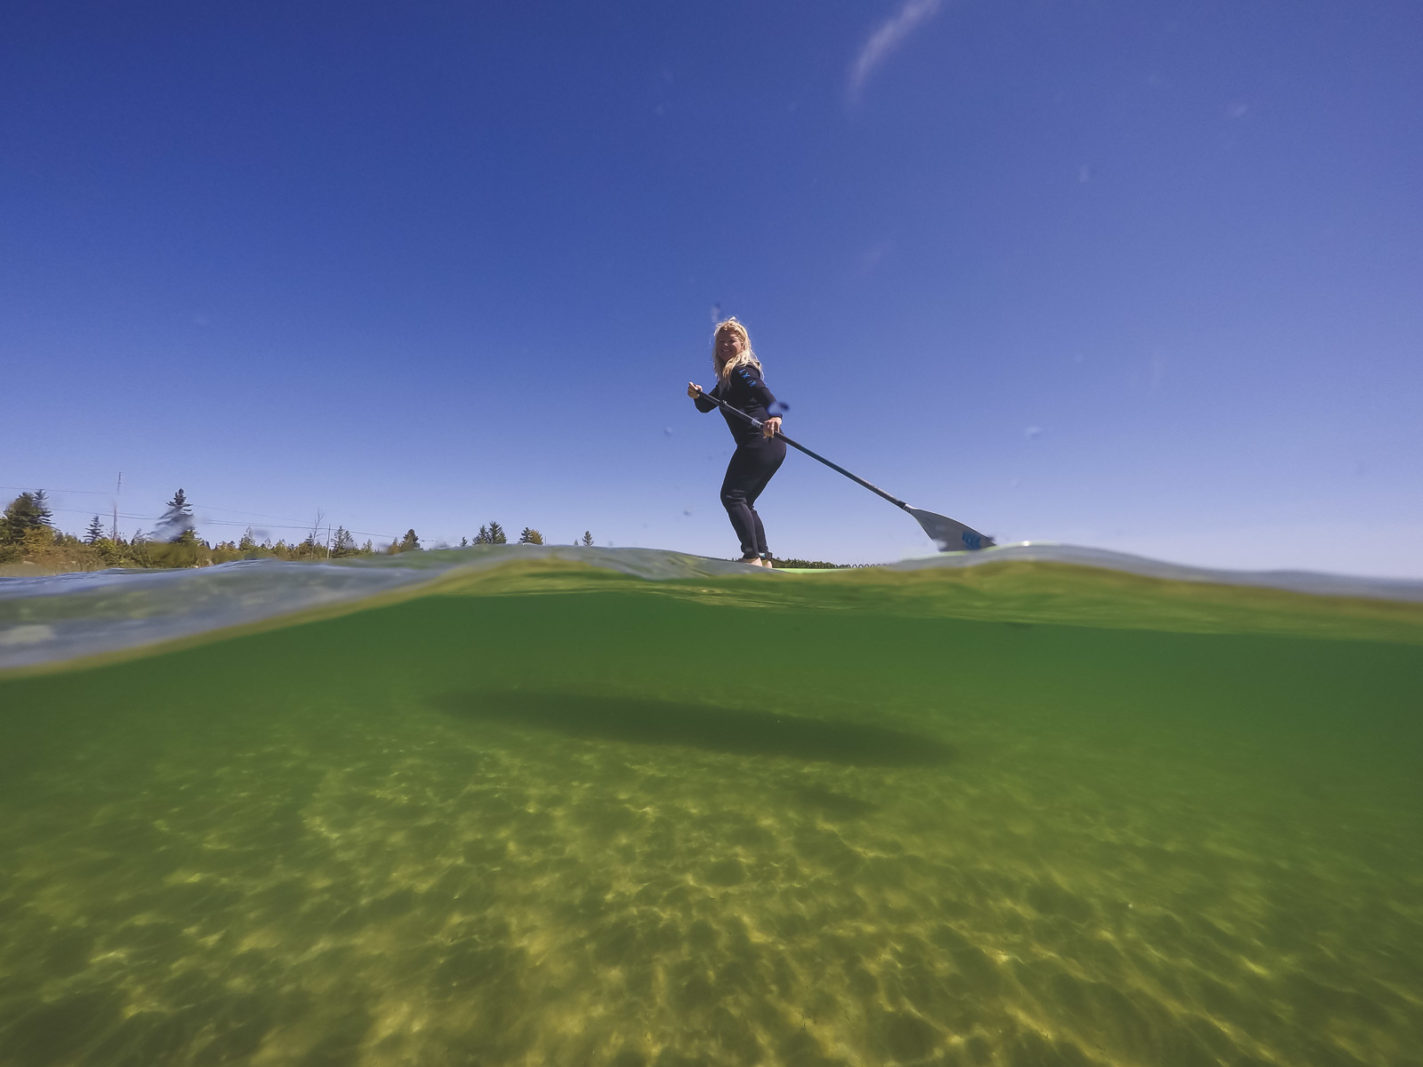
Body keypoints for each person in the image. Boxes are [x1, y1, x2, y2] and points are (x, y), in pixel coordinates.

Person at [687, 317, 786, 567]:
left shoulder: (742, 370)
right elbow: (706, 406)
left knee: (732, 496)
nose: (724, 345)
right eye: (720, 342)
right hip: (769, 446)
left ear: (743, 344)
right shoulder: (726, 380)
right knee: (744, 501)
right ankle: (763, 559)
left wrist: (776, 416)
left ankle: (751, 557)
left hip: (760, 440)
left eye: (731, 340)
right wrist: (697, 396)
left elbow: (764, 393)